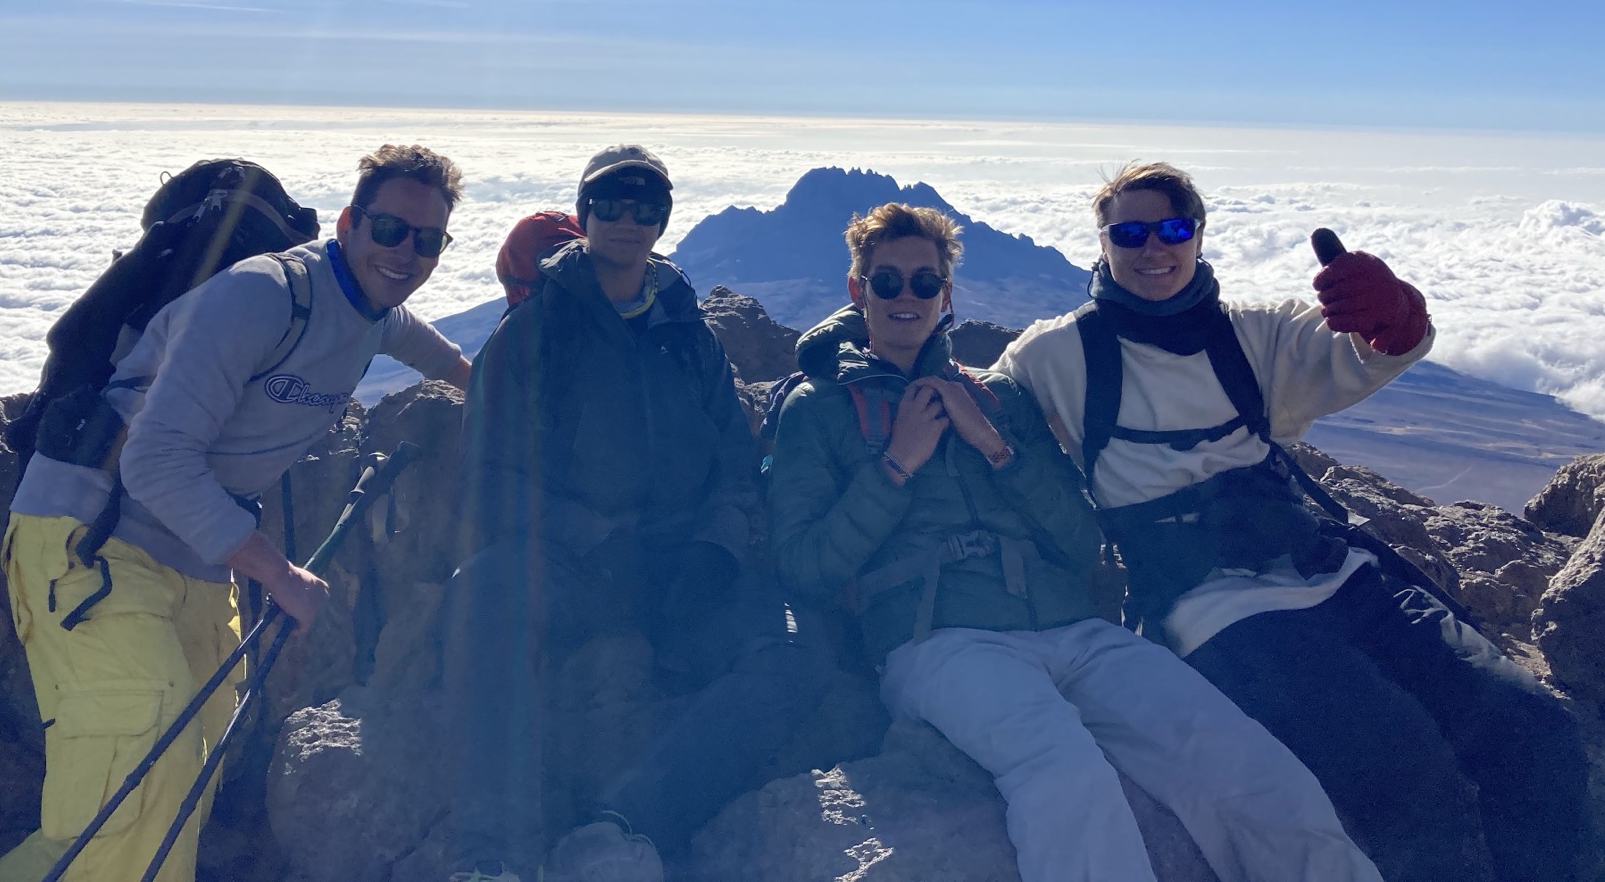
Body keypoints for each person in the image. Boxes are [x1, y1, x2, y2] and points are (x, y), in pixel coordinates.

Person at [997, 161, 1592, 882]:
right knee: (1399, 769)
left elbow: (1362, 348)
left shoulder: (1253, 334)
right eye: (1130, 232)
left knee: (1536, 731)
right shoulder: (1054, 356)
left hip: (1330, 568)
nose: (1153, 248)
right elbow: (987, 427)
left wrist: (1395, 314)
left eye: (1172, 228)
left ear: (1199, 235)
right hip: (1214, 609)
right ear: (1102, 242)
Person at [767, 201, 1383, 882]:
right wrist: (895, 468)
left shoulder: (997, 396)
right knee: (1067, 778)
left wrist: (996, 449)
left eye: (924, 282)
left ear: (947, 294)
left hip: (1073, 629)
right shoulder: (817, 408)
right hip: (937, 639)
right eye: (887, 283)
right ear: (858, 291)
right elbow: (805, 568)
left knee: (1249, 766)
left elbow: (1078, 540)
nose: (905, 297)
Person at [0, 144, 471, 882]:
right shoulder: (263, 296)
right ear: (348, 223)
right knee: (129, 793)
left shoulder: (372, 311)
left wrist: (510, 400)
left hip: (191, 560)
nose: (407, 252)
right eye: (391, 230)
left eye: (428, 239)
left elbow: (441, 357)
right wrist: (281, 576)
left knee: (185, 780)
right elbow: (154, 461)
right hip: (90, 540)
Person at [445, 145, 828, 882]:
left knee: (793, 652)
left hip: (684, 566)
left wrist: (715, 548)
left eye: (645, 205)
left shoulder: (691, 335)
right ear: (584, 214)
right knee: (486, 594)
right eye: (610, 203)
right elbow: (490, 478)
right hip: (576, 567)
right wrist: (589, 538)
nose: (627, 219)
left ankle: (622, 828)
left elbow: (737, 464)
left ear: (662, 220)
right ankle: (486, 856)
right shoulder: (532, 334)